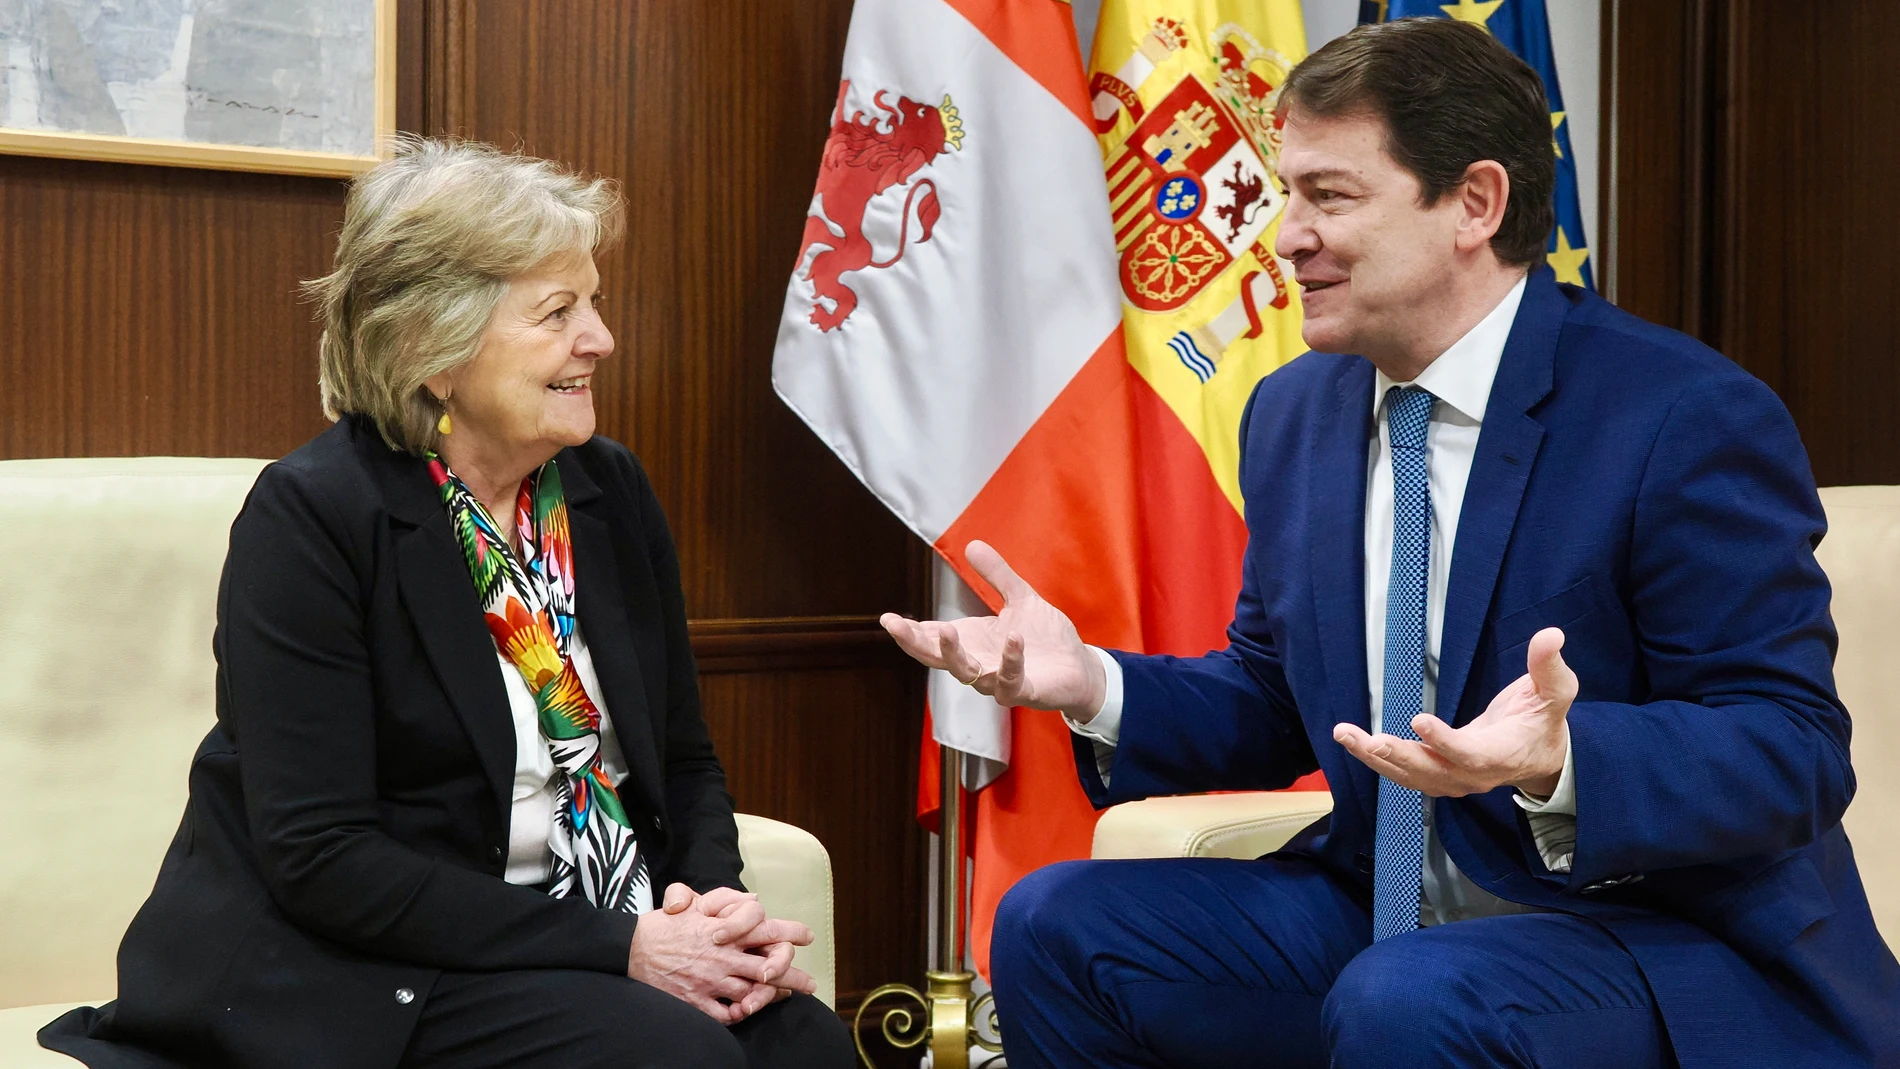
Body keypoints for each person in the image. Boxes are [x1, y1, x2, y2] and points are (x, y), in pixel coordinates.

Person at [882, 18, 1898, 1069]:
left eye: (1330, 196)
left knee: (1409, 995)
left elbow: (1791, 750)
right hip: (1382, 912)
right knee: (1058, 926)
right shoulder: (1295, 413)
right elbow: (1278, 699)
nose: (1283, 236)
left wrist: (1564, 759)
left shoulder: (1676, 415)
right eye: (1288, 193)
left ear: (1473, 204)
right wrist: (1094, 683)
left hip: (1651, 935)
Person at [40, 138, 855, 1069]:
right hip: (370, 962)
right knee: (675, 1058)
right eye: (558, 313)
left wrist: (708, 909)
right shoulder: (315, 517)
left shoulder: (605, 491)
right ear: (435, 349)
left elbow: (681, 758)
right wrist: (626, 949)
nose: (601, 338)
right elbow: (324, 856)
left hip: (583, 933)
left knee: (804, 1045)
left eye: (594, 302)